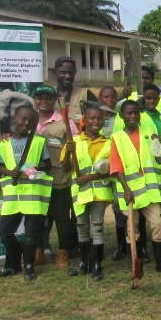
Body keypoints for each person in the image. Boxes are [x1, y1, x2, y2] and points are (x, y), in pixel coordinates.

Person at [110, 100, 161, 286]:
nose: (133, 116)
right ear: (122, 116)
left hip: (149, 189)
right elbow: (117, 167)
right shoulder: (117, 137)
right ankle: (135, 263)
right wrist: (127, 190)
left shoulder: (148, 133)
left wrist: (157, 144)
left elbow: (159, 157)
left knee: (157, 223)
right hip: (130, 191)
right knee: (132, 228)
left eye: (136, 113)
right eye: (129, 113)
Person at [0, 104, 52, 281]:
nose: (26, 123)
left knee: (31, 235)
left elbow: (47, 165)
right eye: (23, 119)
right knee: (5, 233)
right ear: (14, 119)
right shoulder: (4, 143)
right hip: (12, 196)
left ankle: (29, 267)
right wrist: (9, 172)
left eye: (30, 120)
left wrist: (30, 169)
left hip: (33, 195)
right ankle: (11, 265)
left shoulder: (38, 141)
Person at [62, 104, 113, 280]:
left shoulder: (108, 143)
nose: (96, 121)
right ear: (85, 120)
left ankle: (97, 264)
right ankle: (84, 263)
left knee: (97, 226)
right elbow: (66, 168)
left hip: (99, 192)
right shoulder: (74, 142)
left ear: (103, 122)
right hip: (80, 192)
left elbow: (111, 169)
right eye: (92, 118)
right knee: (81, 226)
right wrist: (68, 153)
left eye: (99, 118)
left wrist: (89, 177)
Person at [33, 85, 79, 271]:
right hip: (35, 180)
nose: (44, 101)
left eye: (48, 98)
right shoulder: (29, 120)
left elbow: (75, 146)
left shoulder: (65, 122)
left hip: (60, 178)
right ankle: (39, 251)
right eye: (40, 97)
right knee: (38, 217)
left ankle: (63, 252)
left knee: (62, 217)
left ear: (54, 101)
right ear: (35, 100)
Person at [139, 86, 161, 252]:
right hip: (147, 173)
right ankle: (142, 249)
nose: (151, 101)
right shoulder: (139, 117)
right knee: (143, 211)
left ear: (159, 99)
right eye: (148, 98)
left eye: (154, 98)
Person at [50, 56, 98, 127]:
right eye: (63, 72)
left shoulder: (86, 94)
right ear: (55, 72)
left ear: (75, 72)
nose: (67, 76)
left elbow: (97, 118)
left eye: (71, 72)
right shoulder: (47, 94)